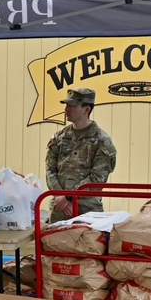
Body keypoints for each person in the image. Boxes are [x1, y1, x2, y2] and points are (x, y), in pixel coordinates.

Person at [45, 87, 117, 223]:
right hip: (59, 210)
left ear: (86, 109)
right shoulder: (59, 137)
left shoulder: (102, 141)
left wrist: (67, 197)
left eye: (71, 105)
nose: (66, 109)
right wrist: (61, 197)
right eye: (66, 105)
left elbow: (97, 179)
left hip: (87, 212)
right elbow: (50, 170)